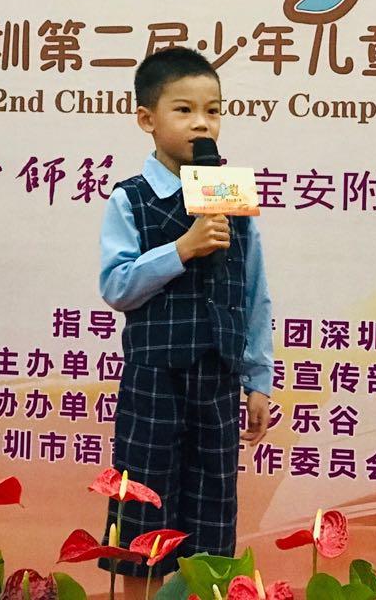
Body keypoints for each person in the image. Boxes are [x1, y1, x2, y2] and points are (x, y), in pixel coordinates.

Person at [97, 46, 274, 589]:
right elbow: (117, 286)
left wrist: (258, 379)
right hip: (154, 381)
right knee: (143, 514)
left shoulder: (229, 192)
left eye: (213, 110)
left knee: (212, 513)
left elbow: (253, 292)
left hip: (217, 379)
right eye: (184, 110)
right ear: (146, 119)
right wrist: (181, 249)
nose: (202, 123)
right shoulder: (131, 199)